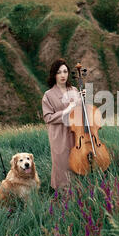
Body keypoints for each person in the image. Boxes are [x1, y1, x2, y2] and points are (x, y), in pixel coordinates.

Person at [42, 59, 83, 190]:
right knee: (61, 163)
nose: (63, 75)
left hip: (75, 132)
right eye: (59, 72)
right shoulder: (48, 95)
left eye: (65, 71)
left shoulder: (74, 90)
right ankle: (60, 192)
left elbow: (80, 112)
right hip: (59, 134)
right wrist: (66, 110)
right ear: (54, 74)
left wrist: (81, 100)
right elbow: (48, 117)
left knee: (76, 161)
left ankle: (77, 191)